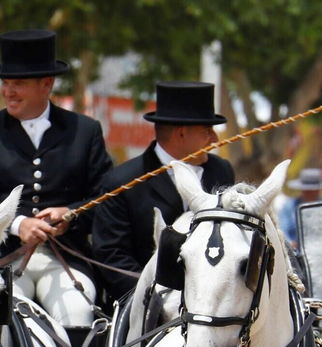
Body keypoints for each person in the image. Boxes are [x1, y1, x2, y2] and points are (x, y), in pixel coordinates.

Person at [0, 30, 114, 340]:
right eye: (5, 83)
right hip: (5, 255)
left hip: (66, 256)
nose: (8, 92)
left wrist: (70, 215)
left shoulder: (85, 131)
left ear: (46, 84)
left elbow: (104, 197)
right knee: (2, 312)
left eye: (18, 84)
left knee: (79, 309)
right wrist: (18, 224)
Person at [90, 82, 234, 302]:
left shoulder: (222, 171)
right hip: (145, 306)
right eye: (207, 131)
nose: (215, 139)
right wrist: (159, 296)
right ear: (182, 134)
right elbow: (112, 257)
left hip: (216, 306)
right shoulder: (121, 182)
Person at [278, 168, 322, 248]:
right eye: (307, 190)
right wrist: (290, 244)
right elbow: (283, 230)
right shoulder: (289, 206)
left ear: (319, 190)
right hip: (295, 253)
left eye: (313, 190)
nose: (310, 193)